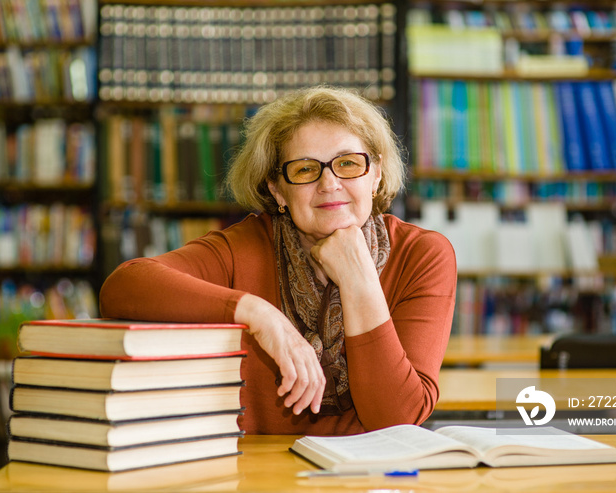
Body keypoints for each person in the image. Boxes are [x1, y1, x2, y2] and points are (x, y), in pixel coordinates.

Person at [99, 86, 457, 435]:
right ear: (276, 188)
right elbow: (123, 285)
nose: (329, 183)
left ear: (375, 174)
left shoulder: (421, 255)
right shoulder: (246, 246)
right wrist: (257, 314)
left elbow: (395, 419)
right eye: (304, 170)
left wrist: (358, 277)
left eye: (348, 163)